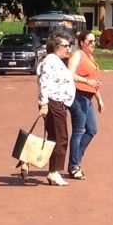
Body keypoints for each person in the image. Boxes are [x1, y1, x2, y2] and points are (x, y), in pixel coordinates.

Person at [35, 32, 75, 186]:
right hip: (53, 102)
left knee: (55, 137)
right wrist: (44, 104)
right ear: (56, 46)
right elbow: (44, 83)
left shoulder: (57, 61)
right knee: (60, 137)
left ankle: (52, 170)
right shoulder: (50, 61)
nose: (68, 49)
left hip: (57, 102)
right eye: (65, 46)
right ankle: (53, 171)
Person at [66, 30, 104, 179]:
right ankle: (74, 166)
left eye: (94, 41)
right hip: (78, 96)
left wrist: (99, 98)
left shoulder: (90, 57)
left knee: (92, 129)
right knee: (78, 131)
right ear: (82, 43)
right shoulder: (78, 55)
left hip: (88, 97)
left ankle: (76, 158)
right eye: (90, 41)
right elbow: (69, 73)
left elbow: (94, 80)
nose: (93, 44)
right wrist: (86, 81)